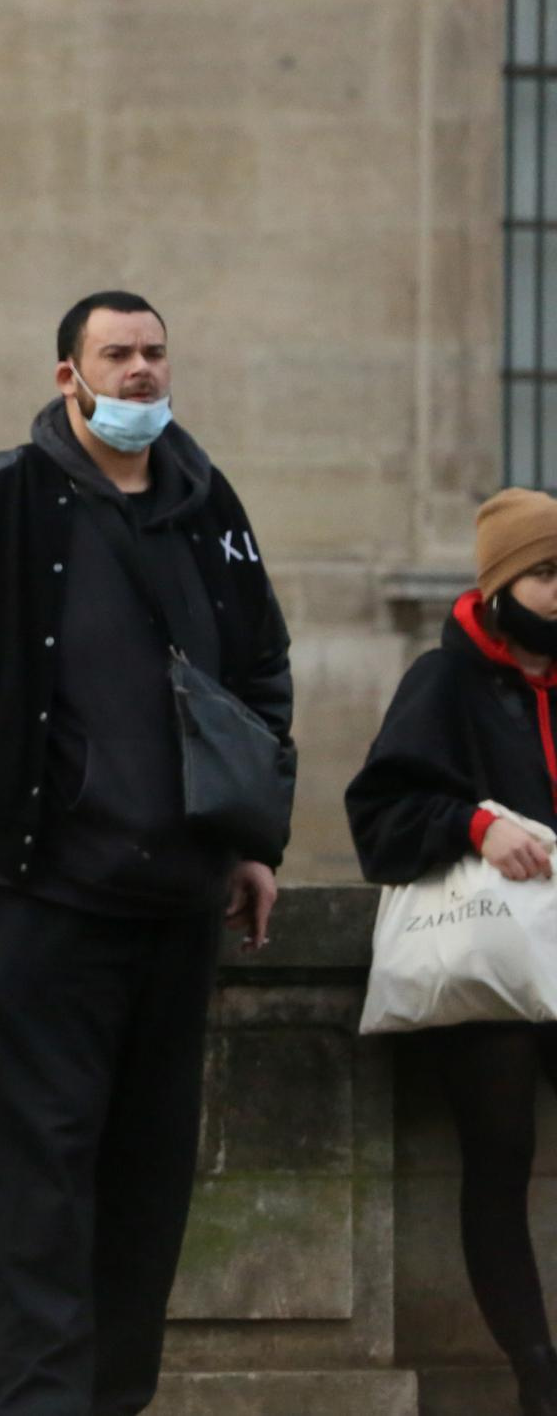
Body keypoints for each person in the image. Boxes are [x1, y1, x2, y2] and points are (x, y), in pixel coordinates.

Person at [0, 290, 294, 1416]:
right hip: (34, 897)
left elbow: (259, 678)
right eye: (115, 355)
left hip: (176, 903)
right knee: (31, 1192)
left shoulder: (207, 506)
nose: (139, 373)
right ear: (66, 375)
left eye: (154, 354)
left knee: (146, 1190)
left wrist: (253, 839)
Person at [348, 488, 557, 1416]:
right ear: (502, 581)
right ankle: (537, 1373)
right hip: (490, 960)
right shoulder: (444, 681)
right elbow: (380, 818)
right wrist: (477, 823)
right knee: (500, 1155)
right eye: (547, 573)